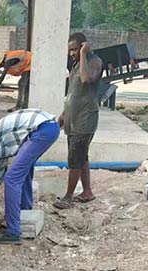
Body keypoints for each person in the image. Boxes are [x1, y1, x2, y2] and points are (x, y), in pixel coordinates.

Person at [0, 109, 60, 244]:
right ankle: (25, 213)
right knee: (23, 172)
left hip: (42, 130)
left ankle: (13, 232)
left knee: (12, 178)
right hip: (50, 127)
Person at [53, 32, 103, 210]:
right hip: (73, 120)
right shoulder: (75, 66)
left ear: (84, 46)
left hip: (85, 120)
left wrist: (83, 55)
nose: (72, 53)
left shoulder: (94, 62)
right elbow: (72, 94)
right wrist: (63, 115)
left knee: (74, 158)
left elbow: (86, 79)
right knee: (82, 157)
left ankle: (68, 197)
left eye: (75, 49)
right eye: (71, 50)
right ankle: (87, 192)